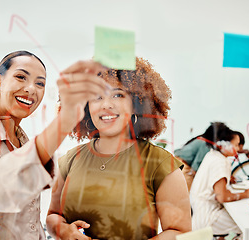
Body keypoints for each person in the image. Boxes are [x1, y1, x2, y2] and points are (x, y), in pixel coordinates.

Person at [0, 51, 109, 239]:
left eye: (40, 83)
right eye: (21, 77)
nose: (31, 89)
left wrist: (66, 230)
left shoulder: (23, 142)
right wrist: (65, 119)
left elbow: (29, 221)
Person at [46, 57, 192, 240]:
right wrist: (65, 231)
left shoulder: (159, 163)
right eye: (97, 97)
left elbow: (181, 233)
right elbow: (53, 216)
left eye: (117, 95)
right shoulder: (71, 159)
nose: (106, 104)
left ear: (137, 103)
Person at [190, 127, 249, 238]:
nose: (238, 149)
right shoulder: (220, 162)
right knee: (245, 225)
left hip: (200, 212)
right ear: (225, 144)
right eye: (236, 145)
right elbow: (222, 197)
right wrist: (246, 194)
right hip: (208, 217)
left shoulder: (212, 155)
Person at [174, 122, 232, 190]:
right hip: (183, 167)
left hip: (178, 163)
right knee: (187, 193)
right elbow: (195, 168)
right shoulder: (205, 145)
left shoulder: (202, 139)